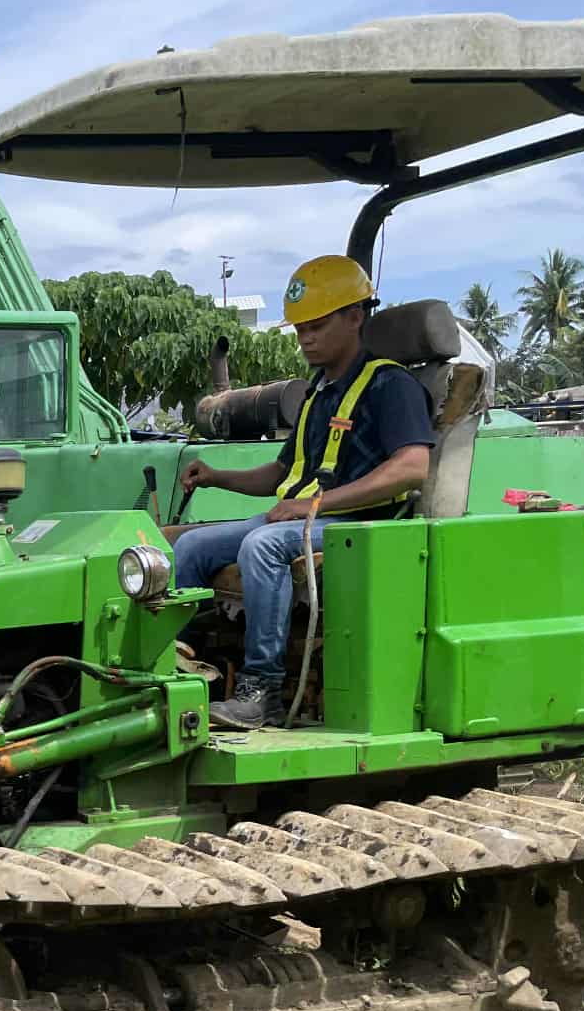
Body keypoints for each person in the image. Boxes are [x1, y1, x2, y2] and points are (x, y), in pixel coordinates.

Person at [173, 254, 435, 729]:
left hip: (360, 522)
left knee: (263, 545)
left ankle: (262, 691)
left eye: (317, 325)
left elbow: (413, 468)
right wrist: (216, 476)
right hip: (307, 517)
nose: (305, 338)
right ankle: (186, 672)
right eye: (299, 329)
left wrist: (315, 505)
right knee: (189, 545)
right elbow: (279, 475)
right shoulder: (319, 391)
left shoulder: (391, 386)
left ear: (355, 317)